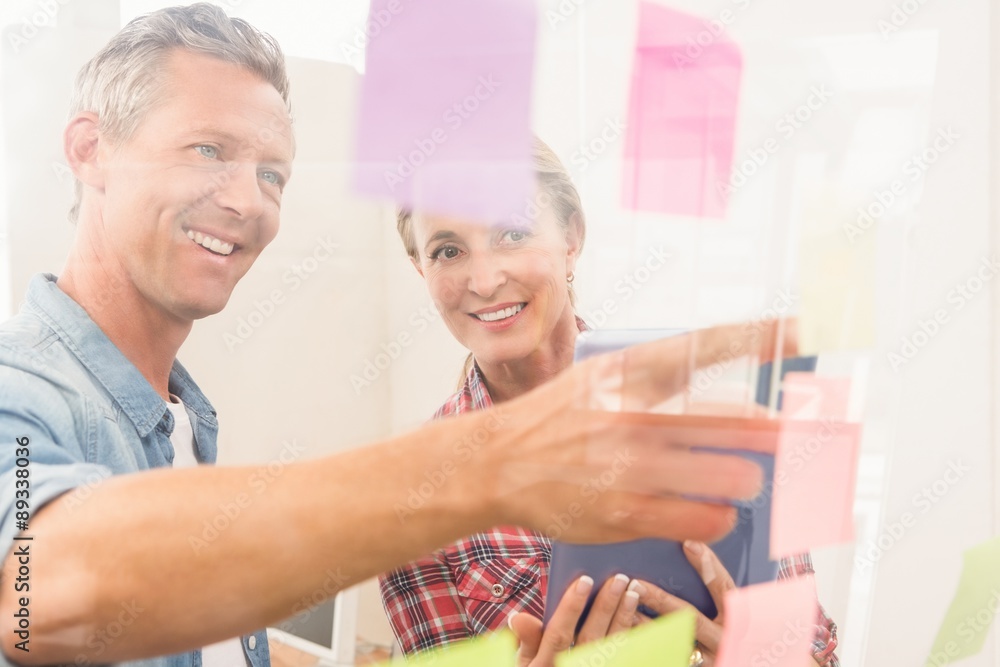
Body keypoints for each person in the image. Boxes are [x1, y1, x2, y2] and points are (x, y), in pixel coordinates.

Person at [0, 5, 800, 667]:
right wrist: (492, 462)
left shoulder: (183, 423)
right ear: (90, 150)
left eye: (272, 174)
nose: (247, 200)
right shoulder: (18, 388)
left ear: (572, 239)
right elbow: (32, 598)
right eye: (208, 149)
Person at [379, 138, 839, 666]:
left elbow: (816, 649)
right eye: (448, 251)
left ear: (571, 238)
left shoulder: (708, 412)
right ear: (422, 269)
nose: (483, 281)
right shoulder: (410, 499)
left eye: (513, 233)